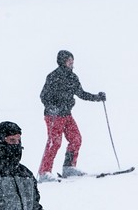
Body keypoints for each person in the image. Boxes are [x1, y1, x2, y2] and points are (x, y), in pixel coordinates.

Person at [37, 50, 105, 182]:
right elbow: (43, 96)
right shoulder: (53, 76)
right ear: (62, 62)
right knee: (54, 142)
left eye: (72, 61)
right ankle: (44, 172)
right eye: (69, 61)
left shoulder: (72, 77)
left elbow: (81, 94)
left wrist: (97, 97)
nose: (72, 63)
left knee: (76, 139)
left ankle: (68, 167)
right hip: (54, 116)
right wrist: (51, 107)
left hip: (66, 114)